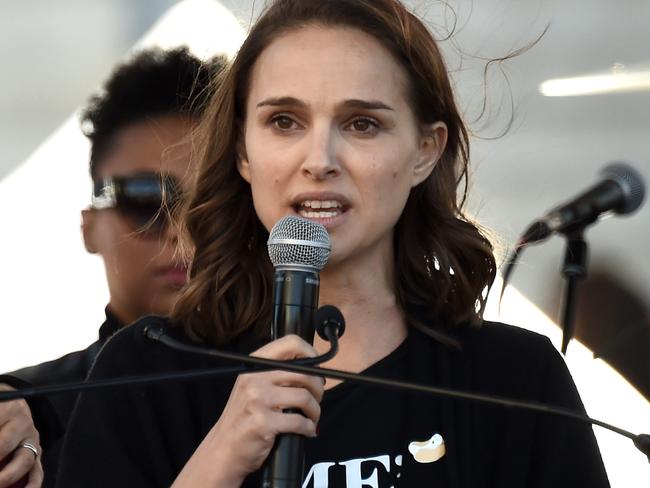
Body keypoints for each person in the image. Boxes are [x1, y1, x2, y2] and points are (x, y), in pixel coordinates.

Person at [55, 1, 610, 486]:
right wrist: (221, 459)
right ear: (243, 151)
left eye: (362, 124)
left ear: (424, 151)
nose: (319, 160)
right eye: (285, 122)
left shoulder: (514, 379)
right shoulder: (144, 373)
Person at [0, 47, 225, 487]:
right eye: (144, 200)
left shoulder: (317, 388)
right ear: (89, 229)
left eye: (209, 204)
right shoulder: (26, 417)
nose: (179, 230)